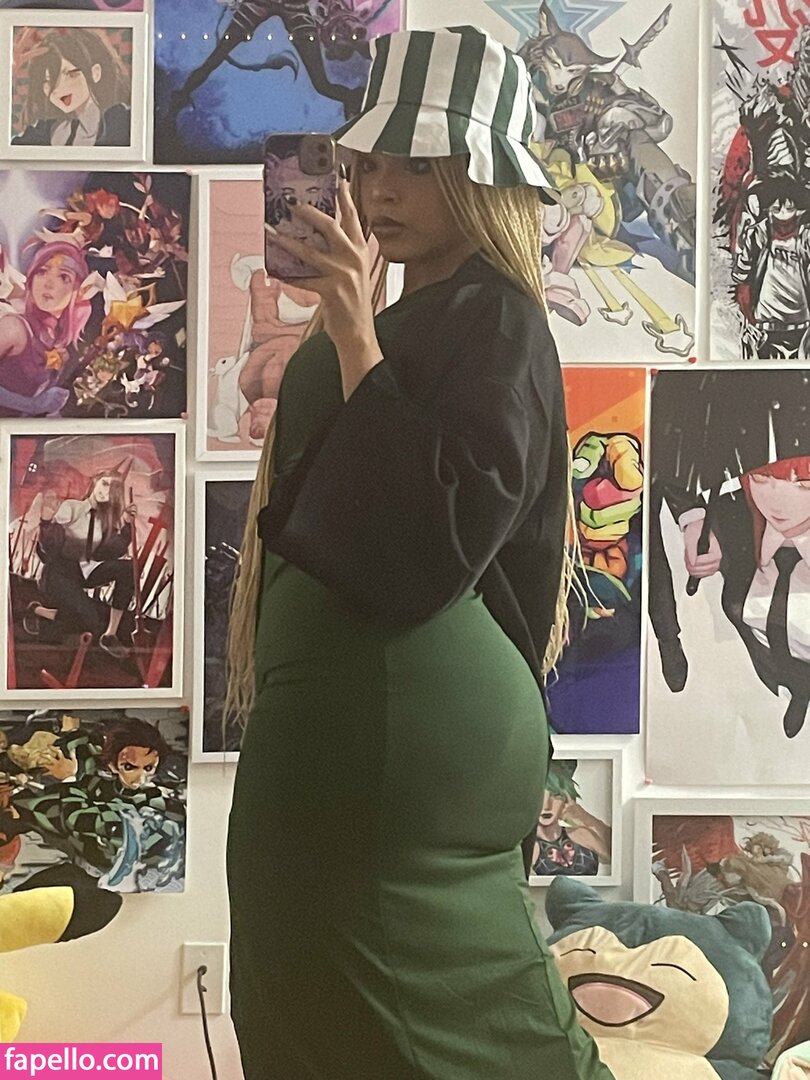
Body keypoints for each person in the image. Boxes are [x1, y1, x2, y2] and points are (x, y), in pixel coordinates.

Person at [225, 24, 614, 1080]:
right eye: (371, 163)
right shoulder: (417, 309)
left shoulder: (500, 318)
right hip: (356, 719)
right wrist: (347, 324)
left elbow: (430, 540)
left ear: (485, 178)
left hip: (406, 724)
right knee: (310, 990)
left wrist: (356, 335)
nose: (383, 188)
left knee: (431, 1021)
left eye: (422, 164)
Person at [24, 469, 137, 660]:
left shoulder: (105, 520)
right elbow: (50, 550)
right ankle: (37, 611)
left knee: (127, 568)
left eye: (113, 489)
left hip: (86, 572)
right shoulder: (71, 507)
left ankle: (110, 635)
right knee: (90, 621)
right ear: (95, 481)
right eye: (104, 484)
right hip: (60, 572)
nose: (106, 491)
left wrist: (126, 526)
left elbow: (109, 553)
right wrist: (46, 523)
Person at [0, 239, 93, 417]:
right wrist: (32, 405)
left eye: (63, 277)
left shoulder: (54, 342)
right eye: (42, 272)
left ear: (77, 290)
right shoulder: (13, 328)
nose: (48, 283)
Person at [11, 26, 131, 148]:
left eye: (69, 75)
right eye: (47, 81)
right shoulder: (45, 130)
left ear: (95, 73)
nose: (58, 89)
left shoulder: (121, 120)